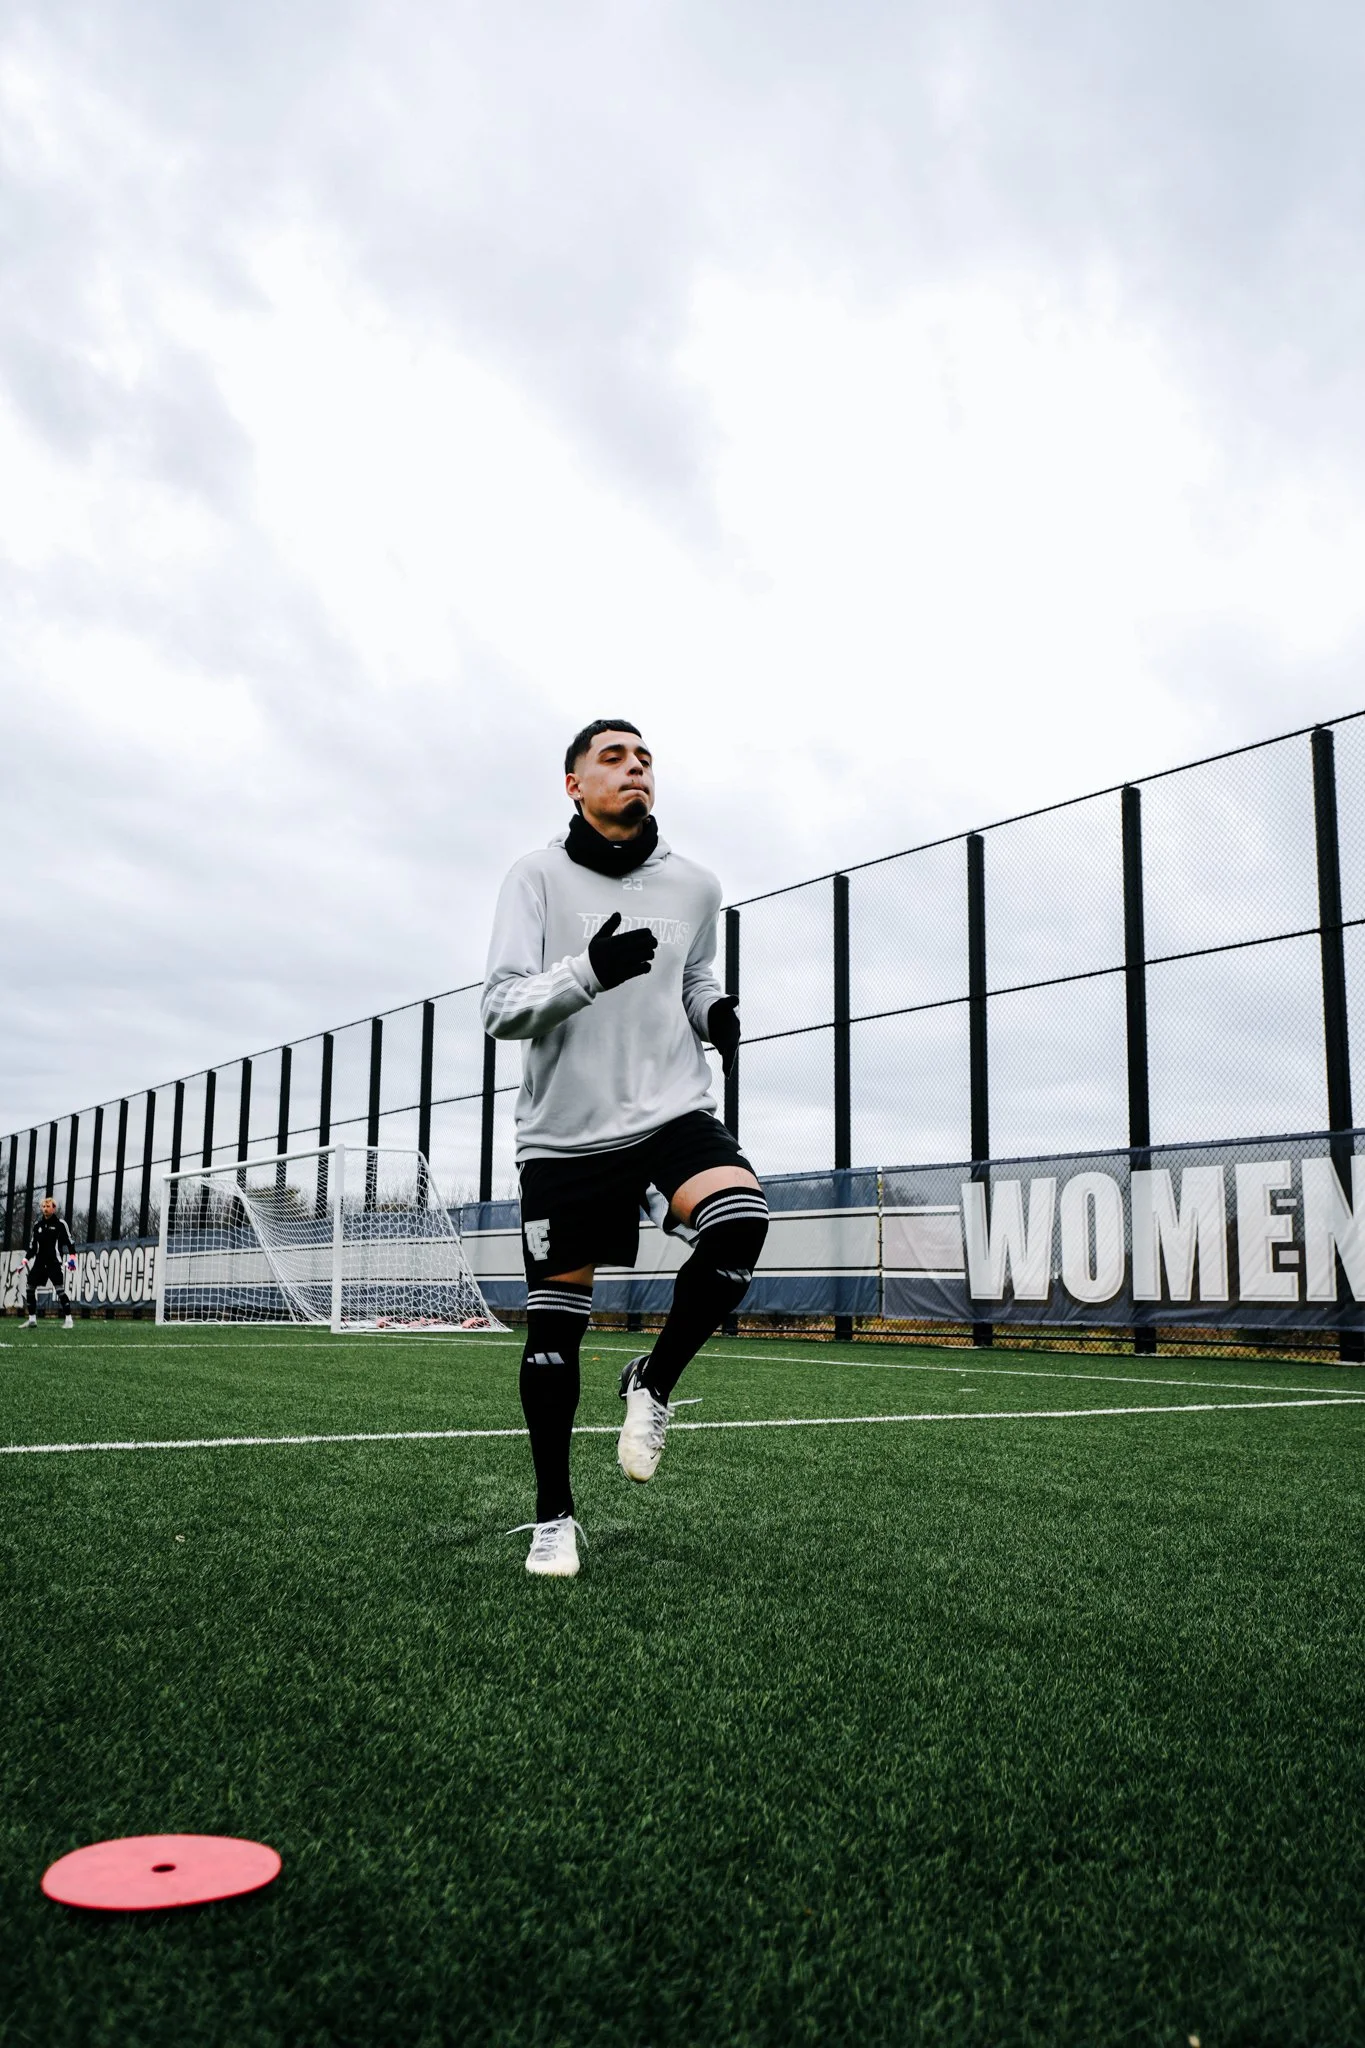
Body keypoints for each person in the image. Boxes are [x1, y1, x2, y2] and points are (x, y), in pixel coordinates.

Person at [482, 719, 769, 1578]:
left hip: (670, 1109)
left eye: (643, 758)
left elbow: (691, 975)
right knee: (553, 1336)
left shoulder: (694, 885)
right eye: (612, 758)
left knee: (740, 1219)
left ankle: (653, 1382)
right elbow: (499, 1007)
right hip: (567, 1134)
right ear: (574, 784)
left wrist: (709, 1011)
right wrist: (587, 973)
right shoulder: (534, 877)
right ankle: (552, 1519)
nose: (633, 768)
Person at [23, 1197, 76, 1329]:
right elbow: (33, 1246)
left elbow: (70, 1243)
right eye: (43, 1207)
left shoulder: (60, 1224)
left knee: (59, 1290)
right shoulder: (38, 1225)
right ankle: (32, 1319)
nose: (45, 1209)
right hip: (40, 1262)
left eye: (48, 1206)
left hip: (54, 1262)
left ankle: (69, 1320)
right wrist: (26, 1258)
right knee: (30, 1287)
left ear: (54, 1208)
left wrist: (72, 1259)